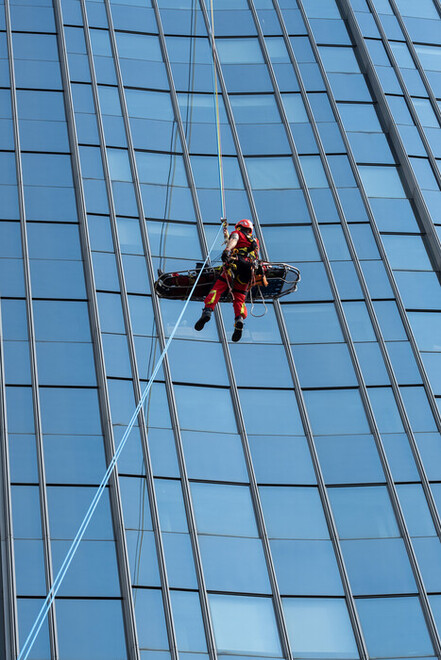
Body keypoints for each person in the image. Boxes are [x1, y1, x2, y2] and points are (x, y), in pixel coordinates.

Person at [194, 219, 260, 342]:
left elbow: (233, 240)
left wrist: (227, 250)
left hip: (234, 267)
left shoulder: (237, 233)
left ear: (240, 227)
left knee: (217, 288)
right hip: (248, 271)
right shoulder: (255, 241)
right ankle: (239, 319)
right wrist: (226, 232)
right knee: (239, 296)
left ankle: (207, 311)